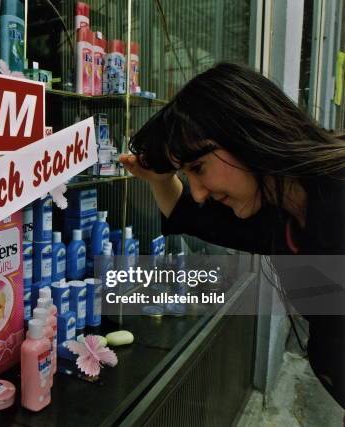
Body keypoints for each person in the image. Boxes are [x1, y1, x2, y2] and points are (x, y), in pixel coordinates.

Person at [119, 63, 345, 410]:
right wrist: (159, 179)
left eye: (198, 169)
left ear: (245, 134)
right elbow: (193, 216)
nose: (197, 192)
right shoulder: (282, 211)